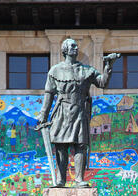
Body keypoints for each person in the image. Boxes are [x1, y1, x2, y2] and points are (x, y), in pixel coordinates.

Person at [38, 38, 118, 187]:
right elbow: (49, 94)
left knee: (81, 145)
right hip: (62, 112)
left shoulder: (86, 70)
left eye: (76, 46)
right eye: (72, 46)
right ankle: (61, 180)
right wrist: (43, 114)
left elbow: (102, 83)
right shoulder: (55, 71)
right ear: (65, 50)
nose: (76, 48)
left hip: (80, 111)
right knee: (61, 146)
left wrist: (108, 66)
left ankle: (79, 179)